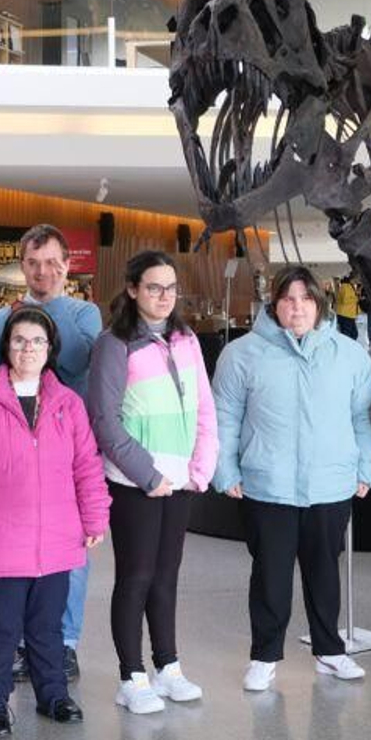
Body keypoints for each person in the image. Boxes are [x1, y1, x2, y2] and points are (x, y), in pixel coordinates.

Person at [212, 266, 371, 692]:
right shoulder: (242, 354)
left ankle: (330, 650)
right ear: (274, 305)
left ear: (320, 304)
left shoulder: (348, 354)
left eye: (306, 299)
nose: (297, 308)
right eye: (288, 299)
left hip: (330, 483)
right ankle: (264, 656)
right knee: (270, 574)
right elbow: (224, 418)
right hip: (267, 484)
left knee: (324, 570)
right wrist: (226, 470)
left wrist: (369, 467)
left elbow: (363, 416)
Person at [0, 307, 111, 738]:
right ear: (5, 347)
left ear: (50, 348)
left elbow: (87, 467)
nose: (28, 349)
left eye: (37, 341)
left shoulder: (67, 404)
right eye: (19, 341)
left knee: (47, 628)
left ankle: (53, 695)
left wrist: (94, 517)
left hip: (55, 541)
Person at [87, 251, 219, 715]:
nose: (164, 297)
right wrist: (148, 475)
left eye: (170, 288)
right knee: (136, 577)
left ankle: (168, 667)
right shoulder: (113, 344)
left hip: (181, 479)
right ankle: (132, 676)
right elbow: (104, 422)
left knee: (166, 577)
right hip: (134, 482)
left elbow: (205, 407)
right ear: (132, 290)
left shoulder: (186, 339)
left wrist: (201, 466)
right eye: (153, 288)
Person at [0, 224, 102, 682]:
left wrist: (36, 355)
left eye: (52, 263)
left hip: (67, 449)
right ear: (22, 266)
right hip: (11, 448)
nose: (43, 272)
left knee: (69, 551)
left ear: (67, 266)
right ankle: (24, 643)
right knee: (16, 545)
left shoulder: (86, 315)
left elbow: (84, 368)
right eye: (33, 263)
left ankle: (63, 643)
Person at [334, 275, 362, 340]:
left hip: (349, 314)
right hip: (345, 315)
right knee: (348, 335)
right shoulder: (345, 286)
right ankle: (345, 348)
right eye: (358, 279)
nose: (358, 281)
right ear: (353, 278)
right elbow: (345, 300)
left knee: (354, 334)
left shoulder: (351, 286)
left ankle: (348, 347)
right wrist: (357, 298)